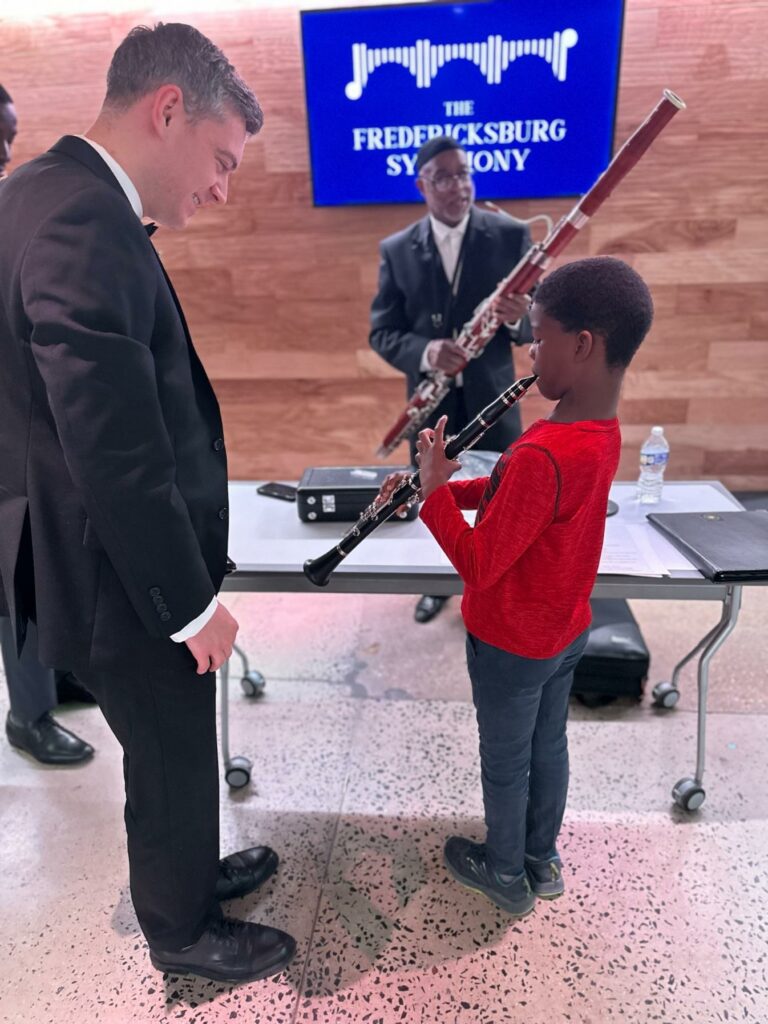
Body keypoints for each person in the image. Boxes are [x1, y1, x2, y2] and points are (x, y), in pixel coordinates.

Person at [0, 25, 295, 982]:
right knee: (168, 738)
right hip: (115, 565)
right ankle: (182, 930)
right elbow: (112, 444)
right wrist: (190, 602)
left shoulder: (37, 193)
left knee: (168, 737)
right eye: (221, 160)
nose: (221, 187)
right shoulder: (84, 219)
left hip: (72, 541)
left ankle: (192, 873)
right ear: (166, 109)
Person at [392, 256, 654, 916]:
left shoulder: (542, 450)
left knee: (506, 761)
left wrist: (431, 501)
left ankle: (505, 872)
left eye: (537, 335)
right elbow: (522, 500)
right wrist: (451, 486)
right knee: (549, 746)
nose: (530, 351)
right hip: (565, 631)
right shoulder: (597, 431)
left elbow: (479, 564)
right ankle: (542, 858)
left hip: (511, 641)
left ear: (582, 344)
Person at [370, 135, 532, 624]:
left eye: (464, 173)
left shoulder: (510, 235)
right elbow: (383, 333)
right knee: (431, 494)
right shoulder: (397, 250)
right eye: (444, 177)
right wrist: (426, 351)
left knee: (500, 496)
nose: (458, 185)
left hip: (495, 402)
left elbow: (535, 325)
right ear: (422, 184)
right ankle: (436, 585)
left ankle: (497, 584)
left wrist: (516, 318)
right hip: (429, 406)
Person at [0, 84, 96, 765]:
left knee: (44, 556)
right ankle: (27, 714)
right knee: (13, 572)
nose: (7, 152)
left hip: (26, 422)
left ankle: (54, 675)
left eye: (10, 135)